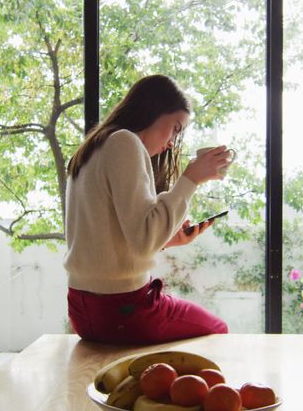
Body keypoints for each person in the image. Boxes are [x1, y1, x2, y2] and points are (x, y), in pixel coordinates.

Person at [64, 74, 232, 345]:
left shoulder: (92, 147)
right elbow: (143, 240)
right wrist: (191, 179)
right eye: (176, 128)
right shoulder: (124, 142)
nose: (171, 142)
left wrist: (166, 241)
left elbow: (109, 237)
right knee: (218, 330)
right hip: (122, 309)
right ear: (152, 112)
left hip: (82, 309)